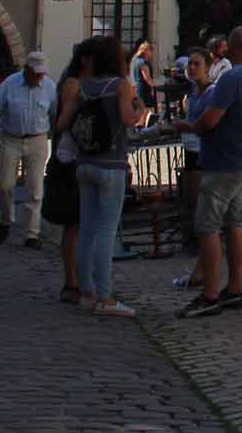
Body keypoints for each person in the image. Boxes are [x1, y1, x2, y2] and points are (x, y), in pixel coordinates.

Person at [175, 24, 242, 319]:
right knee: (235, 226)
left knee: (206, 227)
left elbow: (210, 121)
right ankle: (235, 289)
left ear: (229, 48)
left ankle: (210, 294)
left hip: (221, 162)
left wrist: (189, 126)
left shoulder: (231, 78)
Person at [55, 35, 148, 319]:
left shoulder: (83, 86)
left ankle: (86, 291)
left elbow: (61, 123)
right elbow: (128, 119)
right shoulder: (119, 85)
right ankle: (106, 297)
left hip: (84, 163)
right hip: (111, 164)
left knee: (87, 230)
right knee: (106, 232)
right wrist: (140, 108)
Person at [0, 49, 58, 248]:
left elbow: (54, 115)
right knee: (4, 184)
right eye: (36, 73)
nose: (39, 77)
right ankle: (6, 219)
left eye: (41, 73)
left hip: (37, 139)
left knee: (35, 188)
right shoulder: (10, 84)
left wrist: (57, 144)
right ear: (26, 69)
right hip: (11, 138)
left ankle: (31, 234)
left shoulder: (49, 87)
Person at [46, 42, 90, 305]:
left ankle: (82, 279)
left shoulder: (84, 82)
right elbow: (68, 123)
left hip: (79, 158)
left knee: (82, 224)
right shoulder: (72, 84)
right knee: (74, 224)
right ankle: (71, 281)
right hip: (70, 158)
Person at [169, 47, 212, 297]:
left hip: (202, 152)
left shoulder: (210, 92)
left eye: (197, 64)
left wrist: (188, 126)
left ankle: (203, 268)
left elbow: (207, 125)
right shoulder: (193, 92)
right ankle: (200, 263)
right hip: (190, 149)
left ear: (207, 66)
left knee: (201, 208)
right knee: (194, 206)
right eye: (190, 64)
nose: (192, 68)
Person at [130, 41, 157, 116]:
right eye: (150, 50)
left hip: (139, 89)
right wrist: (155, 86)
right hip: (143, 90)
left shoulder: (136, 61)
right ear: (145, 51)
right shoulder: (143, 62)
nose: (152, 52)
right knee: (146, 111)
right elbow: (147, 78)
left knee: (142, 111)